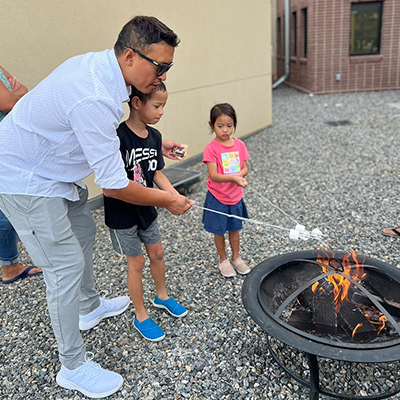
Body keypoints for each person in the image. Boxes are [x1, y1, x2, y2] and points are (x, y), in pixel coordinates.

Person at [0, 16, 193, 399]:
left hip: (53, 171)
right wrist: (169, 199)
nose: (164, 77)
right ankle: (72, 367)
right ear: (130, 56)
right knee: (64, 266)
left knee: (85, 231)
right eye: (161, 67)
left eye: (168, 66)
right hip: (25, 178)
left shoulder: (105, 72)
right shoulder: (95, 95)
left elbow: (105, 138)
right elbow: (116, 185)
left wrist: (157, 145)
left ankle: (88, 308)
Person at [104, 83, 187, 342]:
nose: (161, 111)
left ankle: (161, 296)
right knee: (136, 263)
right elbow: (111, 186)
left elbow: (157, 173)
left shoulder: (155, 137)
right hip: (122, 214)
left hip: (147, 210)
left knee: (158, 253)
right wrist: (167, 199)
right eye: (157, 105)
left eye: (164, 106)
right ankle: (140, 315)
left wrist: (174, 196)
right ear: (137, 103)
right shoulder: (117, 137)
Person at [0, 64, 42, 284]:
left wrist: (19, 92)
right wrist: (17, 93)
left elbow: (24, 89)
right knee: (6, 211)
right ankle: (10, 266)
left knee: (6, 209)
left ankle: (11, 266)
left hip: (7, 145)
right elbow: (11, 102)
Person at [202, 103, 251, 278]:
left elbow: (245, 167)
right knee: (219, 230)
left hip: (235, 197)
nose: (225, 130)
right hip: (217, 197)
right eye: (220, 126)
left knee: (235, 229)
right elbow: (213, 175)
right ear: (211, 125)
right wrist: (234, 178)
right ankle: (223, 259)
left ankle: (236, 257)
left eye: (229, 126)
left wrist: (240, 175)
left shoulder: (239, 145)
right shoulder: (211, 148)